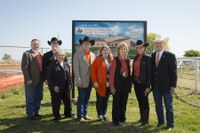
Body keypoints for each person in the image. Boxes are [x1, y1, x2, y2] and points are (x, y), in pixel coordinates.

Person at [151, 35, 177, 131]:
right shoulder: (153, 55)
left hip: (167, 86)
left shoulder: (170, 55)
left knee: (168, 106)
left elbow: (174, 72)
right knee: (158, 105)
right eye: (157, 43)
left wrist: (173, 85)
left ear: (163, 44)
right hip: (156, 86)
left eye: (160, 43)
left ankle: (170, 124)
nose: (158, 45)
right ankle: (161, 122)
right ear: (155, 44)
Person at [47, 49, 74, 123]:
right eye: (59, 55)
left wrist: (70, 84)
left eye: (63, 55)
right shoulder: (52, 65)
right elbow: (49, 78)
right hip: (57, 87)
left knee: (68, 101)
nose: (61, 57)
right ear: (56, 56)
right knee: (56, 102)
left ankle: (68, 114)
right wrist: (54, 86)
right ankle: (57, 117)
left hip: (66, 86)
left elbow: (69, 76)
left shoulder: (66, 64)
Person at [73, 36, 96, 122]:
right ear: (82, 45)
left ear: (90, 45)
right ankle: (80, 116)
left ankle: (85, 114)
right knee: (81, 98)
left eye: (88, 44)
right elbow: (76, 69)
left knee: (87, 98)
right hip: (82, 80)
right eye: (85, 44)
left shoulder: (93, 55)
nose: (86, 45)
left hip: (90, 80)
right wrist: (78, 79)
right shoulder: (77, 55)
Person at [109, 42, 132, 126]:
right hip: (117, 84)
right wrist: (112, 87)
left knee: (124, 102)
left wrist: (130, 85)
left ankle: (123, 118)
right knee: (117, 102)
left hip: (125, 84)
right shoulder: (115, 60)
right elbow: (111, 74)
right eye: (121, 49)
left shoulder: (128, 60)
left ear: (127, 50)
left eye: (125, 49)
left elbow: (130, 73)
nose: (123, 51)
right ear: (119, 50)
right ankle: (116, 120)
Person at [21, 39, 43, 120]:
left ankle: (37, 112)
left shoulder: (40, 54)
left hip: (40, 79)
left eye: (37, 44)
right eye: (34, 44)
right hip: (31, 80)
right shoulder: (26, 54)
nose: (36, 45)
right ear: (31, 44)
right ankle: (30, 114)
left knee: (39, 97)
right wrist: (28, 79)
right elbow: (24, 68)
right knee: (30, 97)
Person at [91, 45, 113, 122]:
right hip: (100, 84)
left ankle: (104, 114)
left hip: (108, 84)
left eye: (107, 50)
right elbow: (93, 71)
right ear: (101, 51)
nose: (106, 51)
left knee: (106, 100)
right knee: (100, 100)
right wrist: (95, 82)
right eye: (104, 50)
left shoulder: (111, 60)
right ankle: (99, 115)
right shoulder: (97, 60)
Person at [132, 40, 151, 127]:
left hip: (144, 84)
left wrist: (148, 87)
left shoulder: (148, 59)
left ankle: (145, 120)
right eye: (138, 47)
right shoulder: (136, 57)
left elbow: (150, 74)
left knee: (145, 102)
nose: (139, 49)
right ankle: (141, 118)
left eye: (141, 47)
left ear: (144, 48)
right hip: (136, 83)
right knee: (140, 101)